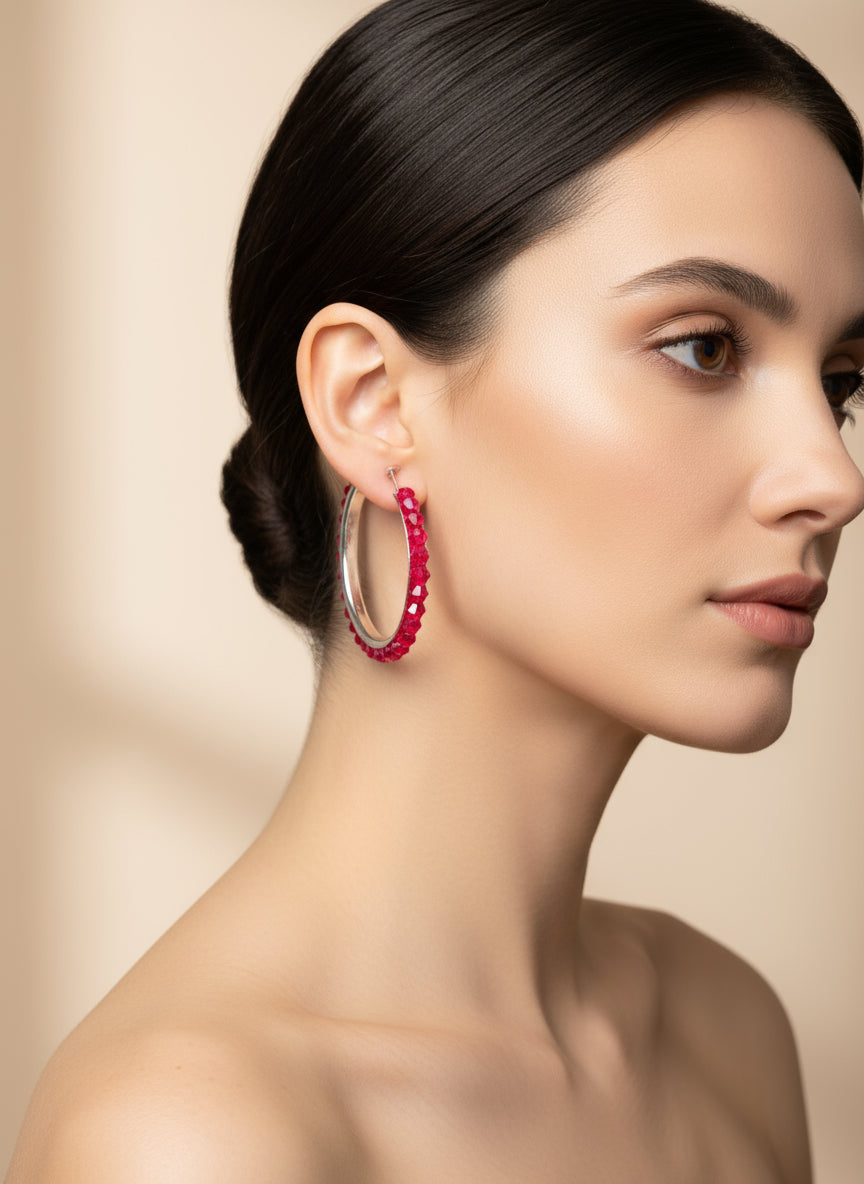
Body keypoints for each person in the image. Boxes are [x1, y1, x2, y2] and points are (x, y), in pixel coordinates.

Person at [7, 0, 864, 1179]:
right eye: (704, 345)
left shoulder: (728, 1029)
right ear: (372, 401)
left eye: (842, 381)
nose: (830, 474)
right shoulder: (193, 1137)